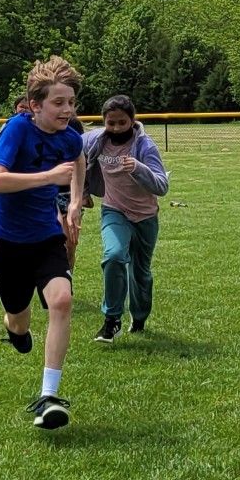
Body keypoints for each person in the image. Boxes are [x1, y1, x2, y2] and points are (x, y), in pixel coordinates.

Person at [0, 56, 88, 430]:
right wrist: (47, 177)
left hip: (46, 236)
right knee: (18, 316)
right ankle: (16, 331)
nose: (67, 110)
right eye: (58, 103)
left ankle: (49, 394)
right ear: (35, 105)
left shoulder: (70, 136)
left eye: (71, 102)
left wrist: (75, 202)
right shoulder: (17, 130)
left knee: (61, 300)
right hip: (9, 241)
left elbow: (78, 159)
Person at [77, 95, 169, 343]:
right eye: (111, 123)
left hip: (145, 216)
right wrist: (83, 193)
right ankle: (111, 320)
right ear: (103, 121)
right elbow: (75, 153)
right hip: (114, 210)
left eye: (122, 123)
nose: (116, 128)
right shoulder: (96, 140)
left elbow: (162, 186)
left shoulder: (145, 147)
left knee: (140, 273)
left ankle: (139, 318)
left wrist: (139, 168)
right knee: (114, 256)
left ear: (132, 120)